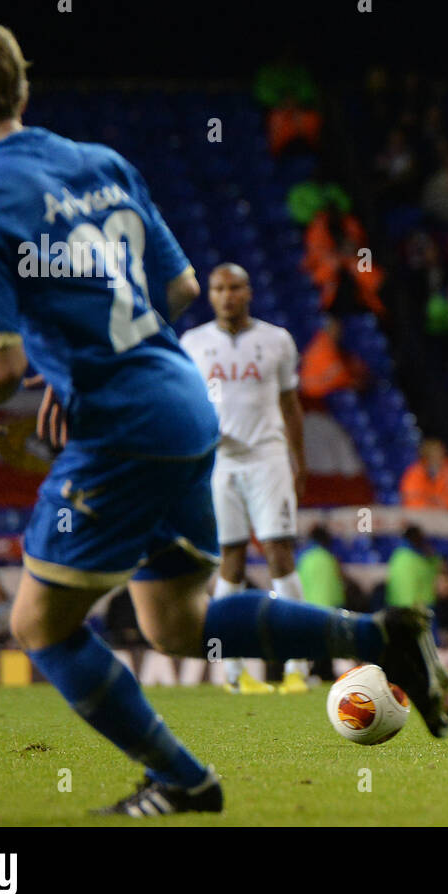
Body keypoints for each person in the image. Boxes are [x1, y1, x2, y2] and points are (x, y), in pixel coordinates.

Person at [0, 14, 448, 817]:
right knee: (175, 623)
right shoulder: (98, 161)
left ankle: (184, 780)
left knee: (40, 624)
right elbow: (177, 292)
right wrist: (81, 351)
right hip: (181, 401)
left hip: (122, 427)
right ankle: (384, 638)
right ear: (21, 86)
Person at [179, 262, 311, 694]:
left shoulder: (276, 341)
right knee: (229, 562)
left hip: (268, 457)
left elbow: (291, 405)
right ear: (210, 294)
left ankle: (297, 667)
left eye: (235, 287)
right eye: (218, 288)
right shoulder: (193, 343)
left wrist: (298, 461)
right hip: (220, 462)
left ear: (249, 291)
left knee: (279, 552)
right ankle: (235, 673)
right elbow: (187, 408)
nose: (227, 295)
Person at [400, 438, 448, 515]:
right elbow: (411, 502)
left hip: (445, 515)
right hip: (420, 515)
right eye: (433, 453)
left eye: (440, 452)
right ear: (426, 455)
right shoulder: (414, 473)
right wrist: (432, 504)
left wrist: (435, 503)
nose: (437, 456)